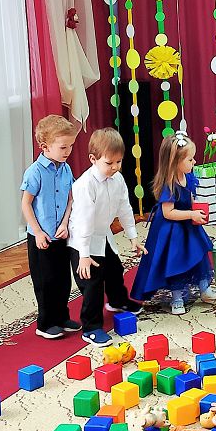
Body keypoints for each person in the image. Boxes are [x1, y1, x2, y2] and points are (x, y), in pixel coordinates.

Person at [68, 128, 145, 346]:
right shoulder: (85, 185)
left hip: (103, 234)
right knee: (92, 283)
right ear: (93, 159)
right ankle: (91, 327)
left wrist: (133, 236)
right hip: (83, 240)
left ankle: (117, 301)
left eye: (119, 162)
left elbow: (125, 207)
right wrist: (83, 255)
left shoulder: (117, 179)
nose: (115, 167)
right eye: (109, 163)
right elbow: (83, 222)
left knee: (114, 270)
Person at [131, 132, 216, 315]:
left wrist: (197, 210)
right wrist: (191, 214)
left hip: (187, 224)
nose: (194, 162)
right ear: (175, 162)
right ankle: (177, 298)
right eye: (190, 159)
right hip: (172, 230)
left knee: (199, 254)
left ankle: (205, 289)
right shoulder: (169, 184)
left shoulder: (187, 176)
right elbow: (168, 213)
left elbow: (190, 197)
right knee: (176, 262)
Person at [21, 115, 80, 340]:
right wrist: (37, 232)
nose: (68, 151)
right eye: (63, 147)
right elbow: (26, 204)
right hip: (41, 238)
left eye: (71, 146)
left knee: (63, 279)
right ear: (45, 147)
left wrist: (65, 223)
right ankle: (45, 324)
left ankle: (62, 317)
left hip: (60, 234)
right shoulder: (34, 172)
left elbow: (71, 199)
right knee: (46, 282)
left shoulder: (66, 169)